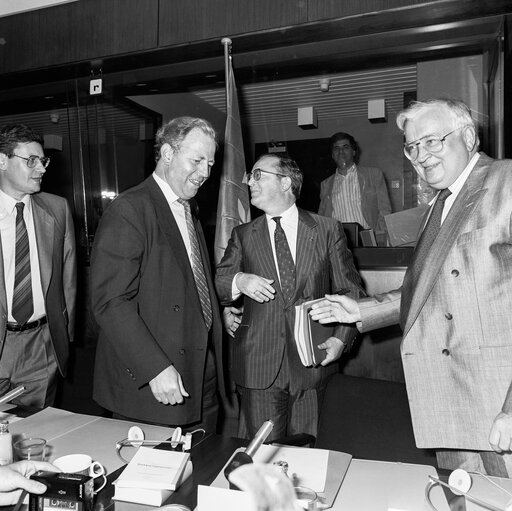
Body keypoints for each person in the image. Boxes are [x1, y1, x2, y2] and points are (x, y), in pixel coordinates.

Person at [310, 98, 512, 477]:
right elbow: (429, 286)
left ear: (468, 137)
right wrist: (363, 310)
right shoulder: (438, 206)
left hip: (498, 407)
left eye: (432, 141)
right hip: (450, 405)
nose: (421, 155)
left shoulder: (507, 181)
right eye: (412, 146)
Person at [216, 153, 364, 441]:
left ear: (285, 183)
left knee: (309, 462)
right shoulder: (243, 235)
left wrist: (340, 338)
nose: (249, 181)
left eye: (258, 174)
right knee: (261, 461)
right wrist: (239, 280)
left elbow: (351, 291)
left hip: (313, 363)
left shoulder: (326, 229)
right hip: (259, 366)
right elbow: (219, 284)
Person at [91, 116, 226, 431]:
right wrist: (154, 368)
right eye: (197, 160)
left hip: (201, 373)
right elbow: (111, 302)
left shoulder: (187, 209)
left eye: (210, 163)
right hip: (157, 381)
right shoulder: (130, 209)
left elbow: (186, 286)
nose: (206, 172)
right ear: (168, 154)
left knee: (198, 471)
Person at [0, 124, 76, 408]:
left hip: (41, 346)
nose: (41, 168)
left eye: (43, 161)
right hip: (3, 342)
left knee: (38, 436)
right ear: (2, 160)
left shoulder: (57, 209)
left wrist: (62, 339)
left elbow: (68, 279)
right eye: (30, 160)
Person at [318, 132, 392, 235]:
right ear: (332, 155)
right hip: (337, 241)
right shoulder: (326, 184)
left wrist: (380, 236)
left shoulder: (373, 175)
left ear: (353, 152)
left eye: (345, 147)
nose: (341, 152)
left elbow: (384, 210)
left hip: (368, 237)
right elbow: (322, 218)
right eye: (336, 148)